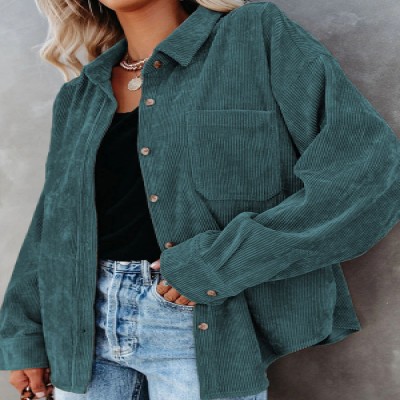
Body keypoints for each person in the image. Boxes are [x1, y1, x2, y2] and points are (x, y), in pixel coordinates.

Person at [1, 0, 399, 399]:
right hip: (80, 332)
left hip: (199, 324)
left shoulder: (254, 35)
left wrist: (218, 264)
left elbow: (368, 173)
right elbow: (55, 222)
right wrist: (25, 335)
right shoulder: (81, 94)